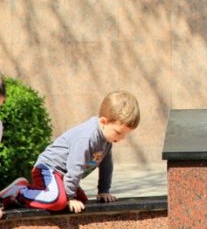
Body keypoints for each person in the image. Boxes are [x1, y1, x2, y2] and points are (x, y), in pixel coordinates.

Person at [0, 90, 140, 214]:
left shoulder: (107, 140)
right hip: (48, 169)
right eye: (119, 133)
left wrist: (103, 190)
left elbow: (106, 165)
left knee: (82, 200)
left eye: (125, 135)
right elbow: (76, 167)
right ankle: (19, 192)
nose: (121, 138)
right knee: (59, 201)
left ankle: (44, 193)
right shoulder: (87, 137)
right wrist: (69, 197)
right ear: (103, 122)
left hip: (62, 175)